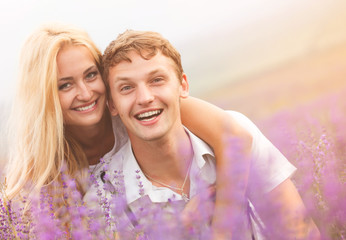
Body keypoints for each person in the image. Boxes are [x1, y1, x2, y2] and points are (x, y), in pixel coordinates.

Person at [3, 22, 249, 225]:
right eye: (65, 85)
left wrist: (223, 224)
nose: (86, 93)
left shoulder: (142, 111)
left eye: (91, 75)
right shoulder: (49, 176)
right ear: (43, 97)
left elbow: (236, 136)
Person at [86, 30, 321, 239]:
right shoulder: (103, 200)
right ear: (112, 105)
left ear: (183, 85)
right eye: (126, 87)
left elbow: (302, 232)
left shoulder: (237, 131)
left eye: (157, 80)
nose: (145, 98)